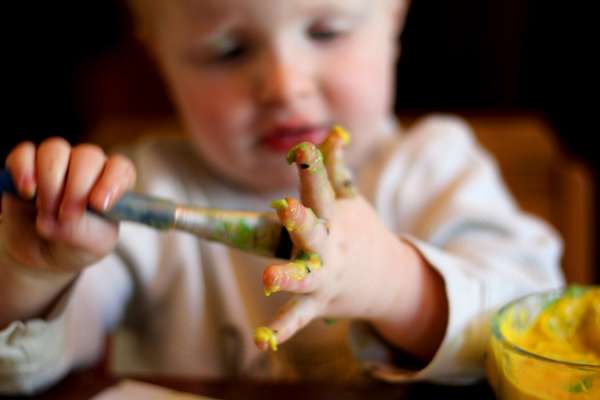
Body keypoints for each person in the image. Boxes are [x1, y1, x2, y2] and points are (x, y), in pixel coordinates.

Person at [0, 0, 564, 395]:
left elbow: (539, 329)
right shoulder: (145, 189)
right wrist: (34, 274)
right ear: (161, 57)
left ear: (394, 15)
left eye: (327, 32)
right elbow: (26, 372)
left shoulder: (435, 167)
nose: (284, 84)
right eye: (226, 51)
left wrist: (393, 283)